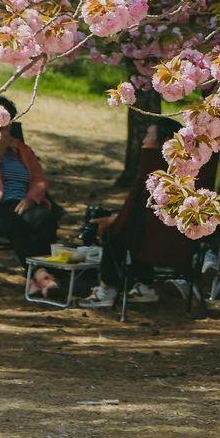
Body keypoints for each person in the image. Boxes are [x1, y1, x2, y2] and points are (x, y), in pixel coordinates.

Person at [78, 115, 185, 309]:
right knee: (137, 230)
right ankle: (145, 286)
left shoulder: (152, 168)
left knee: (116, 234)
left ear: (163, 142)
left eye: (149, 136)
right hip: (182, 247)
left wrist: (111, 223)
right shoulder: (188, 171)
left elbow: (132, 214)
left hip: (150, 246)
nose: (144, 140)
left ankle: (106, 289)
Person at [0, 96, 62, 296]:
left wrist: (31, 198)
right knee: (16, 223)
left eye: (6, 125)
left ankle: (35, 280)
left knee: (46, 218)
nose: (2, 130)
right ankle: (41, 274)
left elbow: (39, 179)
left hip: (25, 203)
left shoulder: (21, 149)